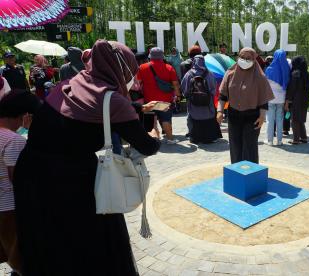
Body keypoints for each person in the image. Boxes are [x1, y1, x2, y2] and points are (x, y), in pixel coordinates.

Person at [13, 40, 161, 276]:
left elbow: (86, 111)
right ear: (120, 68)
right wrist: (154, 135)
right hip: (73, 184)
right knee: (87, 248)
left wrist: (134, 107)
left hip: (33, 175)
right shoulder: (113, 101)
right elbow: (146, 145)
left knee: (50, 244)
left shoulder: (69, 84)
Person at [0, 90, 39, 276]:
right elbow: (19, 181)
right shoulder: (14, 141)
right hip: (9, 210)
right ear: (26, 115)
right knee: (21, 263)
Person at [217, 47, 274, 163]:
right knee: (235, 145)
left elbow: (264, 100)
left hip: (252, 117)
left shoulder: (260, 77)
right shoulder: (230, 74)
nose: (245, 60)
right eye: (242, 57)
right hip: (233, 115)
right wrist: (220, 111)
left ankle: (251, 175)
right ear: (238, 57)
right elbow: (222, 96)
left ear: (254, 59)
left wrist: (262, 117)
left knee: (250, 146)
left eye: (248, 58)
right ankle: (236, 173)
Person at [137, 47, 181, 144]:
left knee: (151, 121)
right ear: (162, 56)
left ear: (150, 56)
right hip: (165, 100)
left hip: (149, 101)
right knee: (166, 120)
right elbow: (175, 84)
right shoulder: (169, 68)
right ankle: (170, 139)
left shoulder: (142, 67)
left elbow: (138, 84)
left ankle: (153, 140)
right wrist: (177, 95)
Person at [181, 55, 222, 144]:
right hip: (207, 103)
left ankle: (195, 138)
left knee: (195, 119)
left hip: (193, 104)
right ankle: (209, 138)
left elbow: (184, 89)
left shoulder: (189, 74)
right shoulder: (209, 73)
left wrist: (189, 96)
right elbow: (213, 89)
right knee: (208, 119)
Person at [264, 49, 290, 146]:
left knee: (270, 120)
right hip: (282, 98)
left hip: (270, 98)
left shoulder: (269, 69)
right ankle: (279, 140)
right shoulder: (287, 68)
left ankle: (269, 140)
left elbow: (265, 84)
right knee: (280, 120)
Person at [286, 56, 309, 144]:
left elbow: (292, 88)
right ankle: (304, 137)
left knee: (295, 119)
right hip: (305, 98)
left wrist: (288, 100)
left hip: (296, 98)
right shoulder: (306, 73)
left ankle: (296, 139)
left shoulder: (295, 73)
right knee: (301, 118)